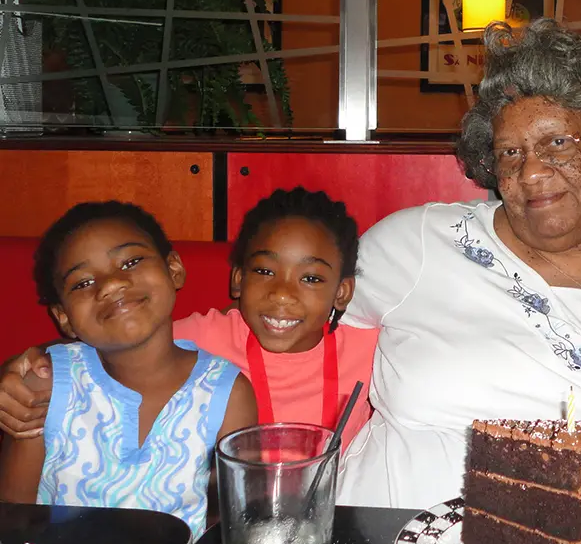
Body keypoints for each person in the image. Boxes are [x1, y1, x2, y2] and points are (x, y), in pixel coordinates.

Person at [332, 18, 581, 521]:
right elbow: (291, 327)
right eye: (510, 152)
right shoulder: (414, 244)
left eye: (558, 143)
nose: (531, 172)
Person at [0, 188, 377, 449]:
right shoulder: (204, 336)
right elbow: (117, 344)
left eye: (311, 278)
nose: (282, 293)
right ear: (238, 280)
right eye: (264, 271)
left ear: (342, 292)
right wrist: (31, 361)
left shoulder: (374, 348)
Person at [0, 202, 257, 539]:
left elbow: (232, 523)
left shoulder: (228, 393)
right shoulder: (45, 383)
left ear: (174, 269)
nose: (110, 285)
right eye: (82, 282)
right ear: (64, 317)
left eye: (131, 262)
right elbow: (13, 516)